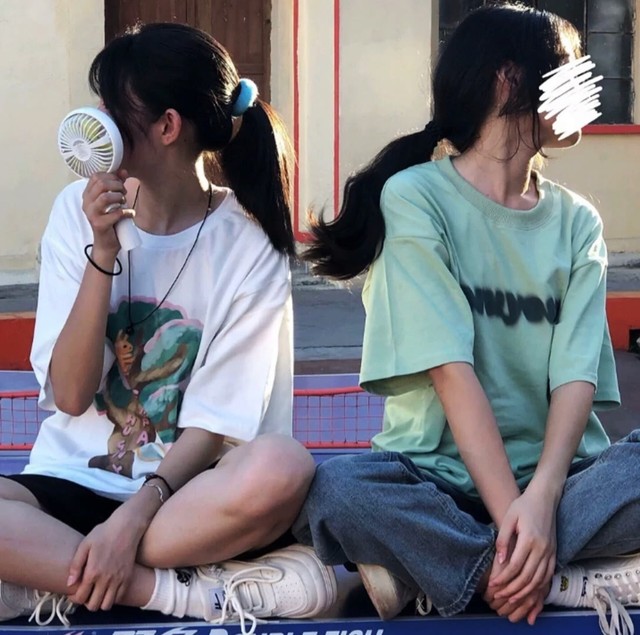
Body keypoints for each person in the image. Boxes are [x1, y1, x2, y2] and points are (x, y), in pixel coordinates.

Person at [292, 5, 640, 635]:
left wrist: (540, 503)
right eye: (568, 71)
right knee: (339, 491)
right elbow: (452, 373)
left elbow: (576, 377)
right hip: (434, 481)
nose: (584, 91)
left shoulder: (577, 222)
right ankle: (551, 577)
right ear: (509, 80)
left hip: (559, 484)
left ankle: (445, 570)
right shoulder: (416, 197)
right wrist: (514, 518)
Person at [0, 23, 336, 633]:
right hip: (70, 485)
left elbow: (214, 427)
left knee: (284, 466)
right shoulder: (74, 213)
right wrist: (102, 252)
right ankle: (178, 593)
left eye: (111, 108)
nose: (96, 119)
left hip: (186, 503)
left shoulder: (248, 242)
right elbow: (71, 396)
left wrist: (130, 521)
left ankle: (52, 577)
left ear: (167, 127)